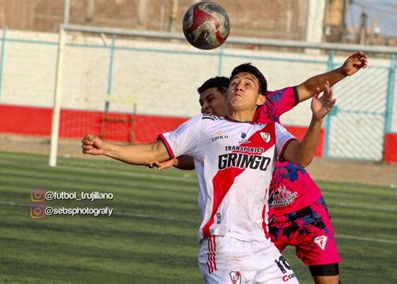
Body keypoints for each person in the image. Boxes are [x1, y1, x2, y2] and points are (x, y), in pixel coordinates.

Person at [82, 63, 336, 283]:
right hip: (222, 244)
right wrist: (107, 147)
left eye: (247, 83)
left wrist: (317, 120)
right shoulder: (203, 127)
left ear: (261, 99)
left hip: (262, 246)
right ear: (227, 96)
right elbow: (153, 151)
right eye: (235, 82)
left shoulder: (271, 131)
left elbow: (302, 157)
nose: (239, 86)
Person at [154, 52, 368, 284]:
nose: (205, 107)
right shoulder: (211, 128)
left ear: (228, 94)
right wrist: (176, 159)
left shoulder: (267, 105)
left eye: (210, 99)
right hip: (264, 219)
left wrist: (342, 72)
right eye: (202, 103)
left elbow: (306, 88)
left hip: (305, 207)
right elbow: (209, 158)